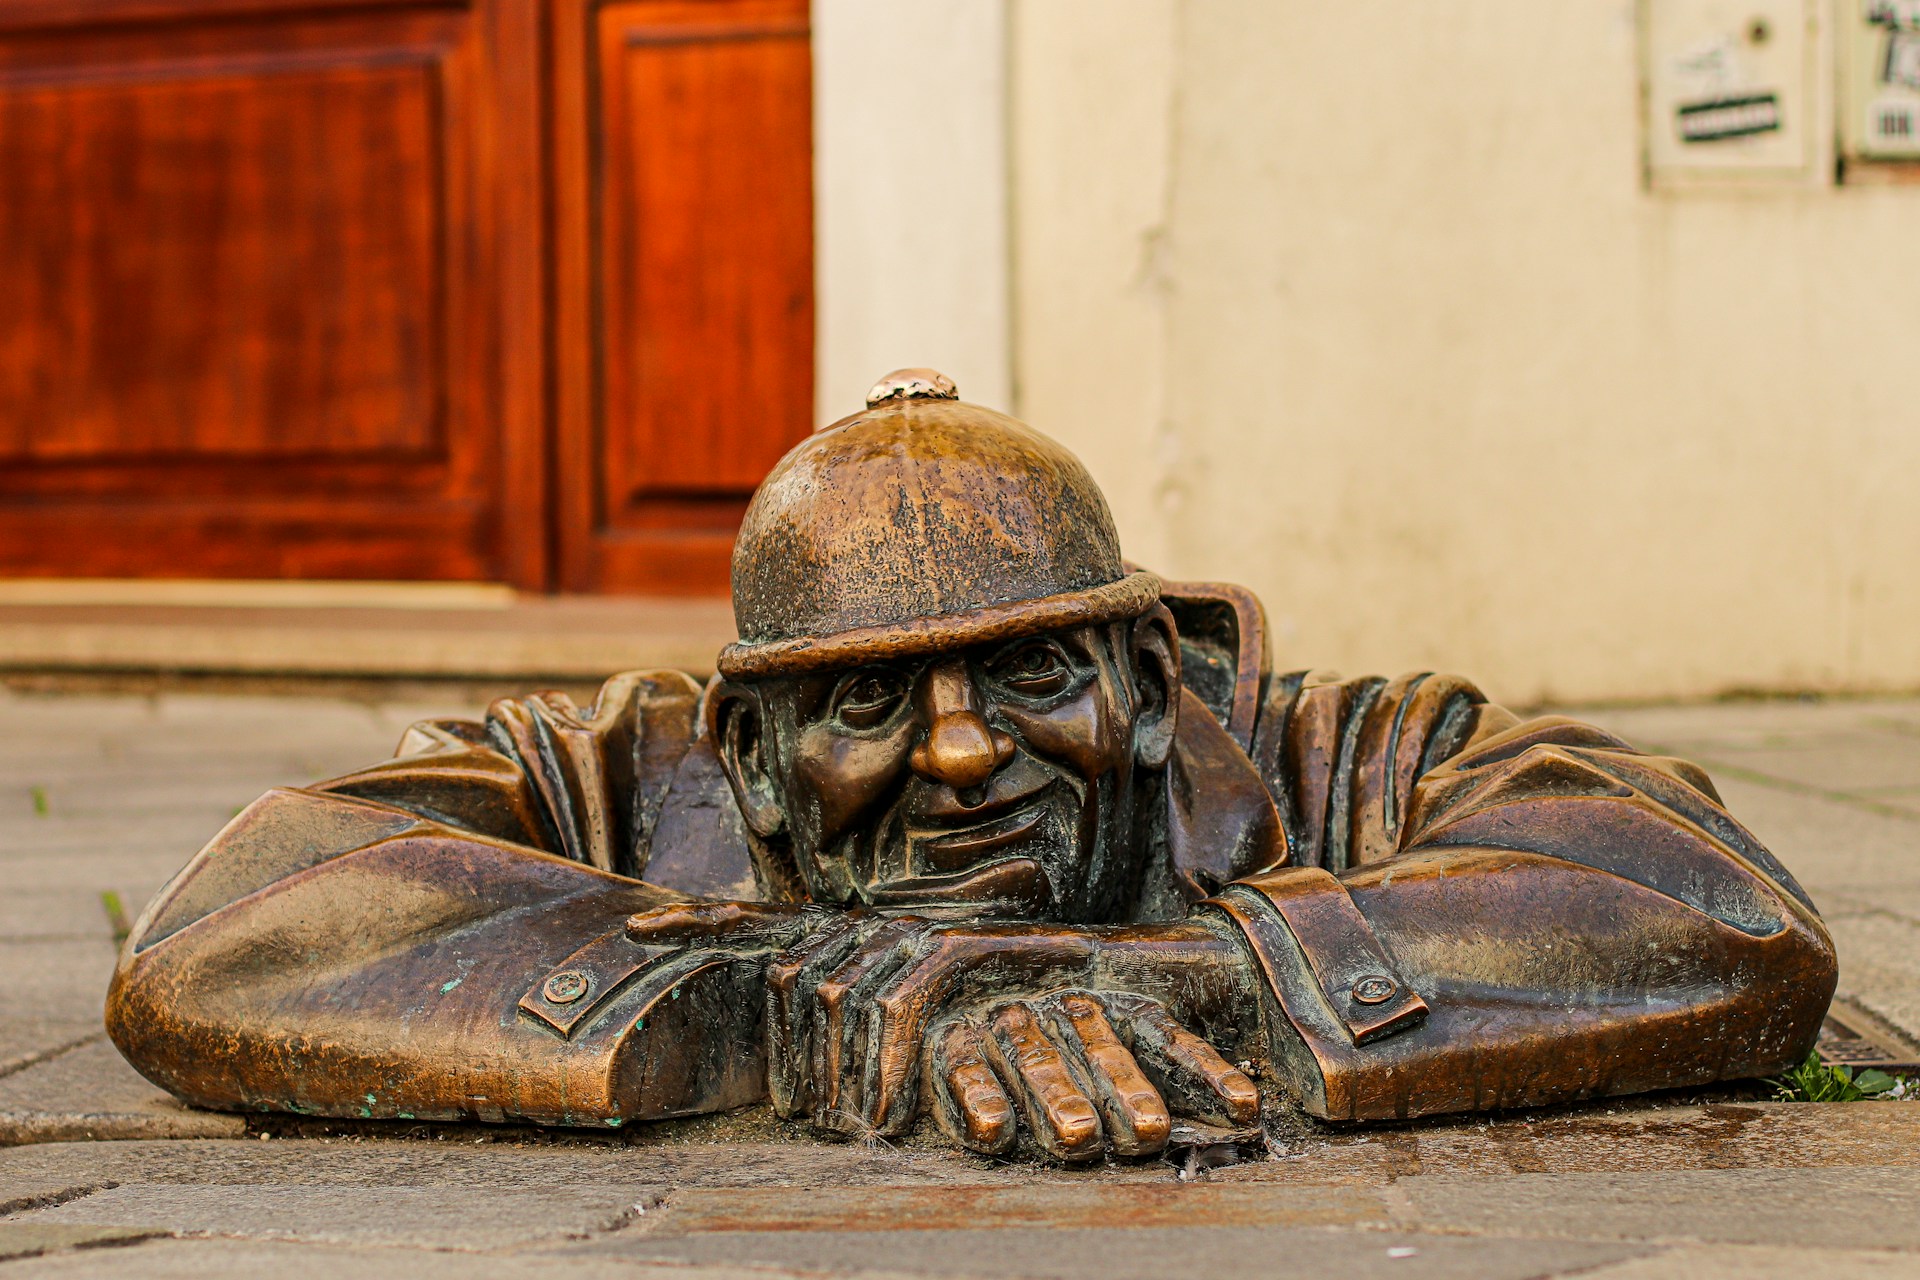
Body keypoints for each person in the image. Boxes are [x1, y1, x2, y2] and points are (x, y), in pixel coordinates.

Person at [107, 371, 1837, 1162]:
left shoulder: (1346, 750)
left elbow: (1717, 907)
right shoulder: (620, 771)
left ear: (1150, 681)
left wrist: (1197, 979)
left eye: (1027, 676)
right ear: (755, 755)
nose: (957, 754)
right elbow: (224, 935)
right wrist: (792, 996)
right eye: (867, 709)